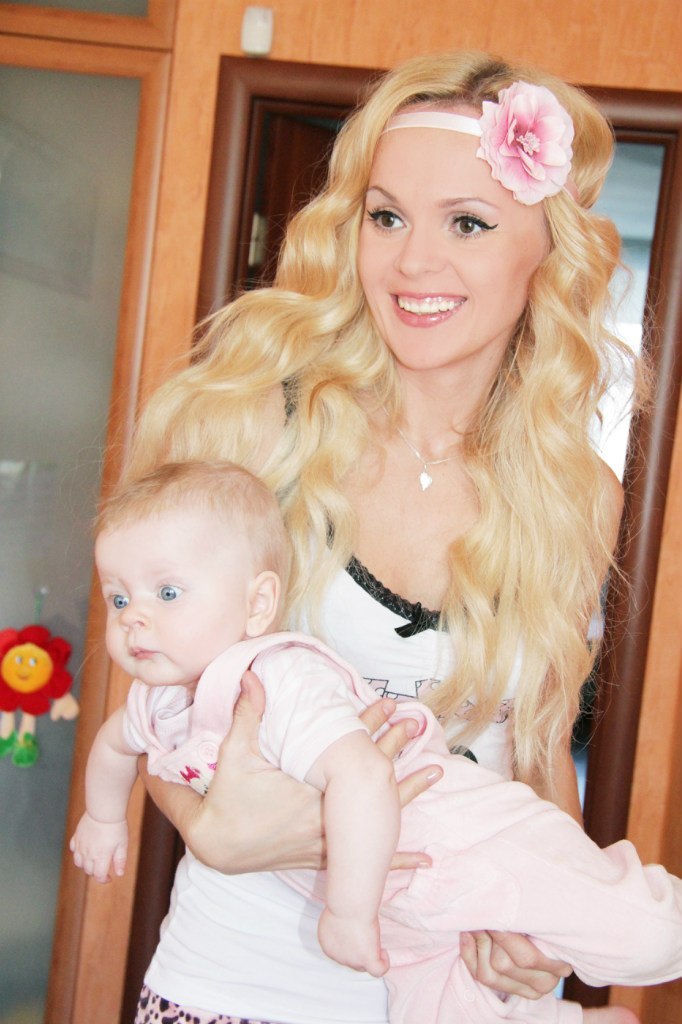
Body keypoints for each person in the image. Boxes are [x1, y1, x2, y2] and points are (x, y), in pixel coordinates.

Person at [118, 50, 648, 1024]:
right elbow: (155, 699)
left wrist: (537, 937)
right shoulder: (252, 434)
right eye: (386, 216)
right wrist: (208, 825)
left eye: (467, 223)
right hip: (238, 986)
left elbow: (534, 755)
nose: (411, 263)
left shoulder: (577, 496)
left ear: (546, 255)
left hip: (447, 991)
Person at [71, 460, 682, 1024]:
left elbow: (365, 776)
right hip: (350, 926)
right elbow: (117, 746)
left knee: (641, 935)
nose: (132, 618)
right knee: (436, 1006)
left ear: (259, 603)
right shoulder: (157, 698)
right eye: (118, 598)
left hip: (452, 839)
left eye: (166, 594)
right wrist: (104, 819)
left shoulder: (277, 677)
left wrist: (349, 911)